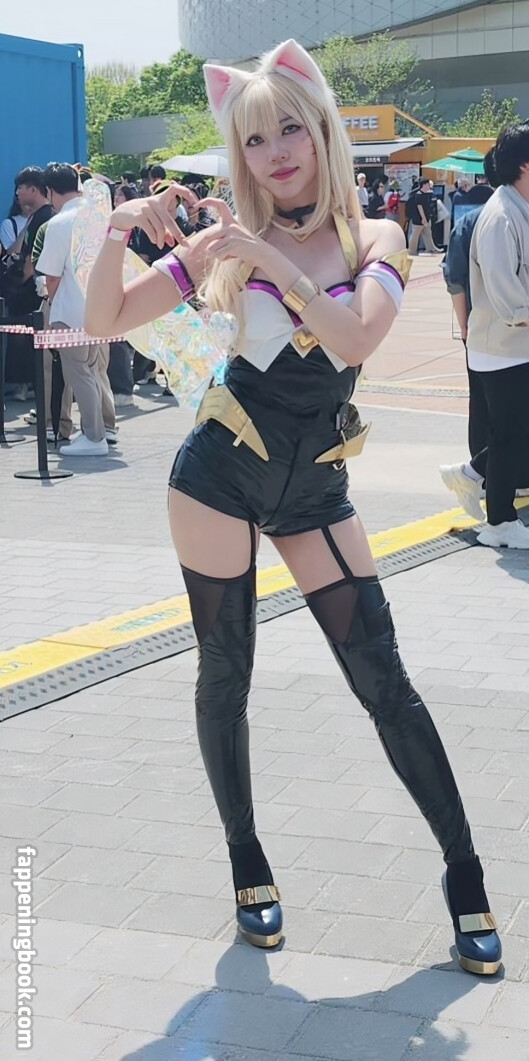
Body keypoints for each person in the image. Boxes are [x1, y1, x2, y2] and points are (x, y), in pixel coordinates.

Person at [85, 38, 501, 973]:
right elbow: (105, 320)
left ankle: (464, 870)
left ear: (319, 131)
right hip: (218, 477)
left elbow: (355, 338)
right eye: (253, 138)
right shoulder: (222, 246)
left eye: (288, 131)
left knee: (383, 679)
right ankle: (247, 862)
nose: (274, 152)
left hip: (316, 487)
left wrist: (273, 264)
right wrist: (117, 229)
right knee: (225, 670)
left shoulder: (373, 238)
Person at [444, 123, 529, 548]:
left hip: (513, 345)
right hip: (503, 347)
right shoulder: (501, 217)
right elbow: (506, 294)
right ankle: (499, 523)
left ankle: (471, 475)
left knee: (513, 432)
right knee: (510, 435)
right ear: (525, 165)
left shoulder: (518, 207)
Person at [36, 163, 116, 457]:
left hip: (69, 310)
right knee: (92, 370)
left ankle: (94, 437)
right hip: (100, 306)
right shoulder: (99, 217)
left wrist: (52, 301)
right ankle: (98, 432)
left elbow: (52, 276)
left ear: (49, 191)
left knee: (78, 372)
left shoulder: (59, 223)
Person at [440, 149, 497, 518]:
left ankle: (482, 473)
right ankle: (477, 472)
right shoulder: (506, 217)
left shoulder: (470, 220)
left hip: (477, 326)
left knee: (482, 402)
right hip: (503, 330)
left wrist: (464, 325)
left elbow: (454, 278)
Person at [408, 177, 441, 255]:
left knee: (428, 234)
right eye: (428, 185)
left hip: (426, 218)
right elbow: (420, 207)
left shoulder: (426, 194)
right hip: (418, 220)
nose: (429, 186)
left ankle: (431, 249)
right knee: (415, 236)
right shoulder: (418, 195)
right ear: (424, 185)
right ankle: (412, 251)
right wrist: (423, 218)